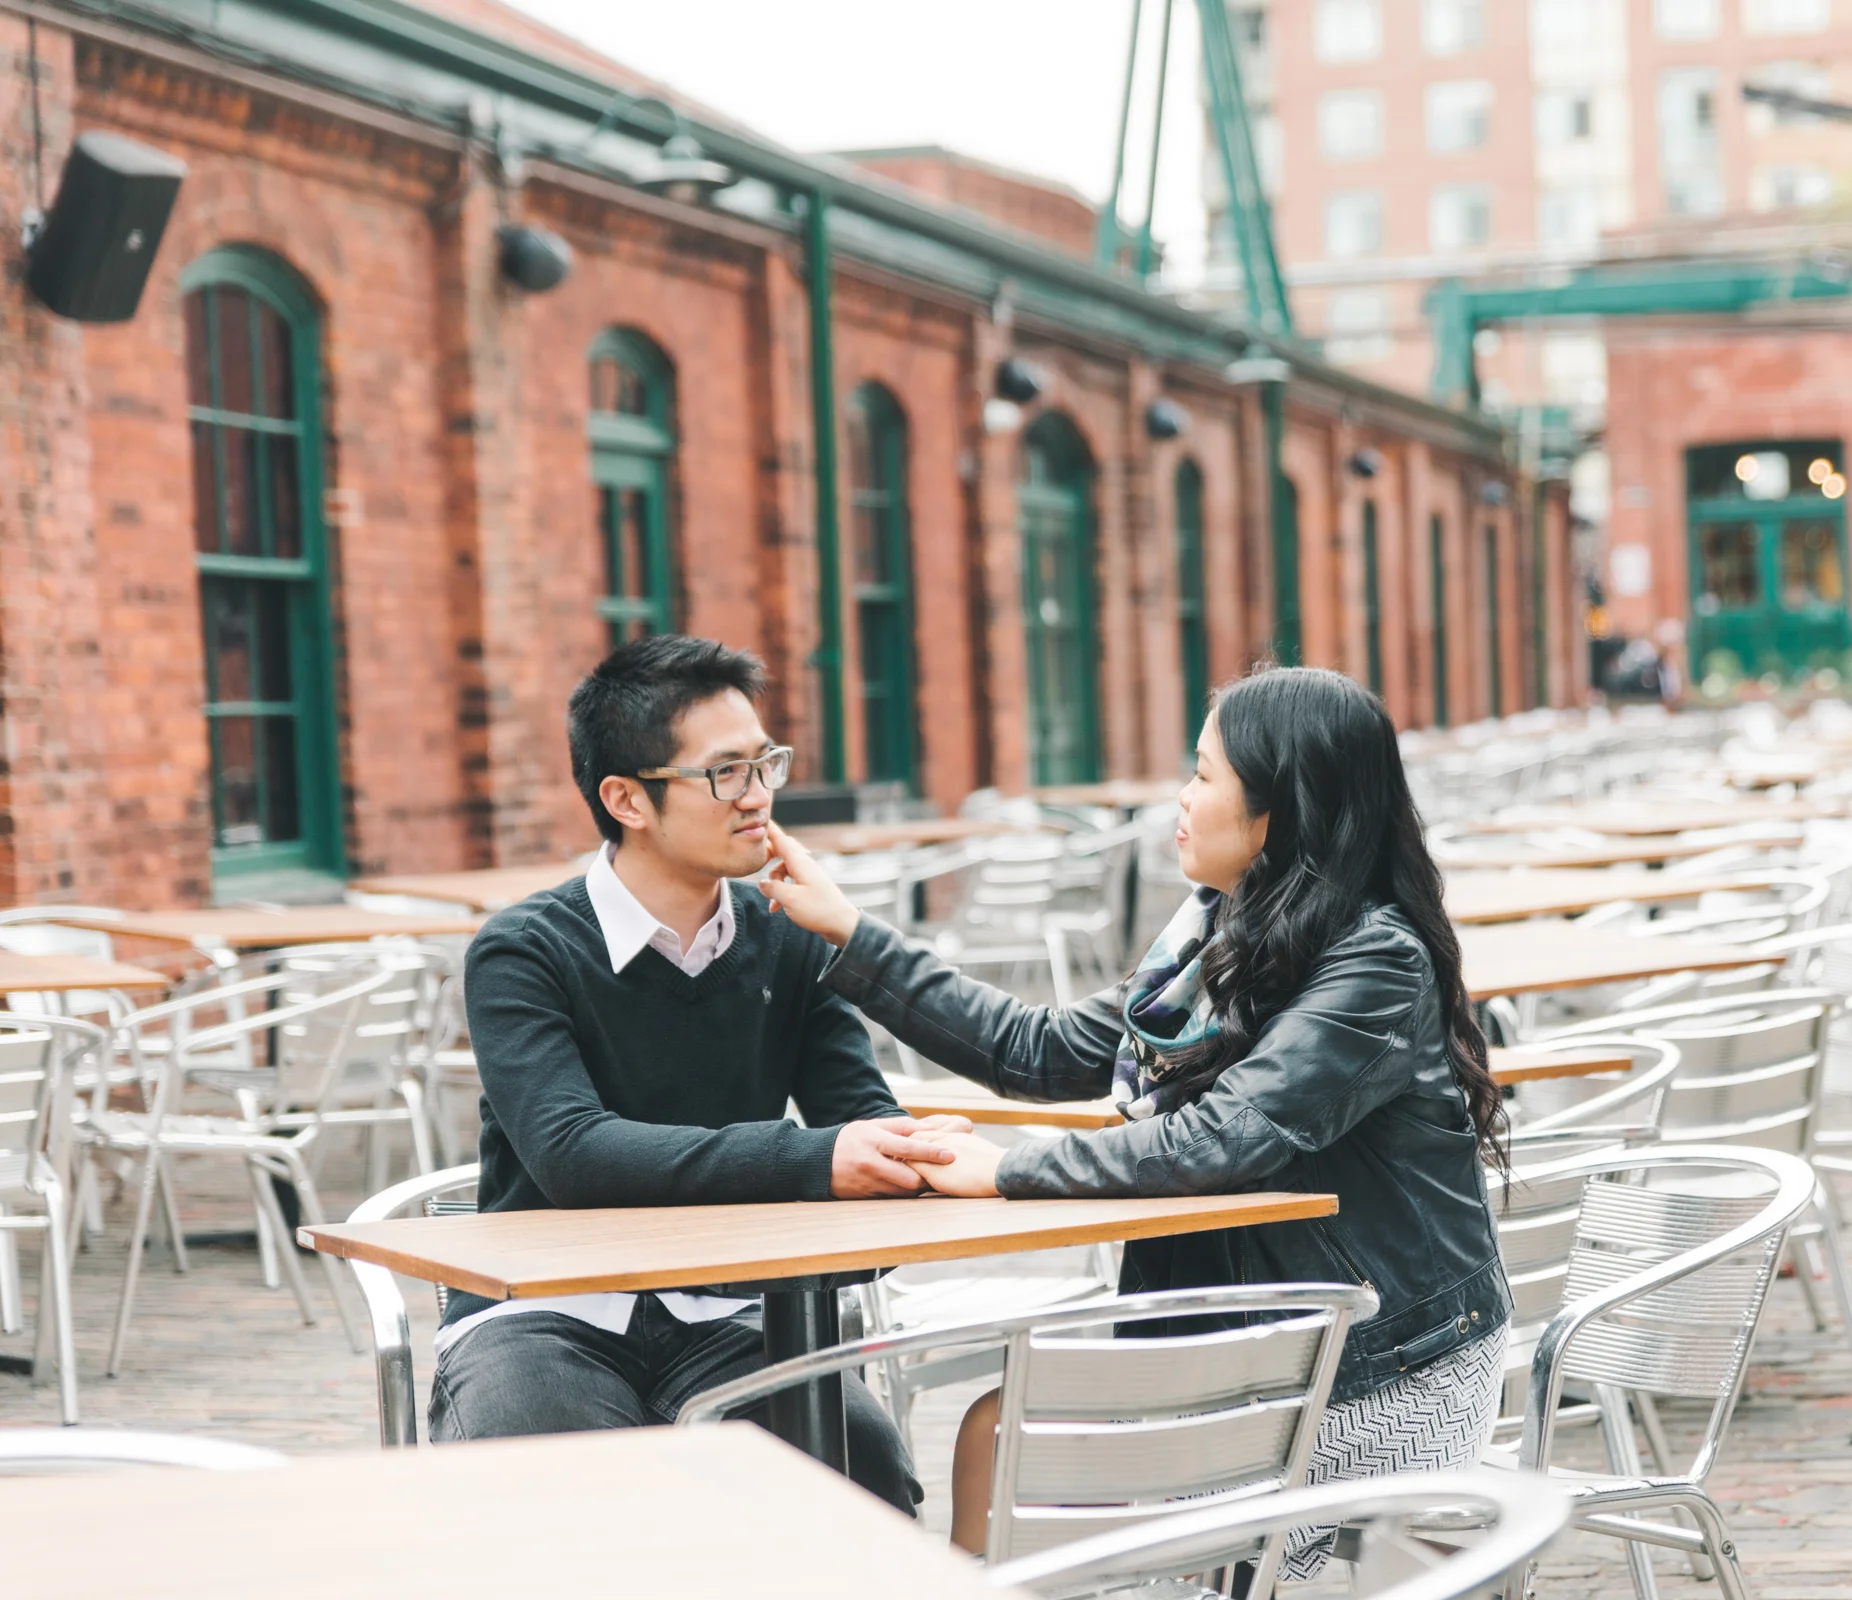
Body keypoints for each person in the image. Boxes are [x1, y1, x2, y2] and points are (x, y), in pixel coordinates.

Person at [758, 665, 1510, 1568]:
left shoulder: (1377, 961)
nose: (1181, 801)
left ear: (1279, 807)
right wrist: (849, 930)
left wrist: (1004, 1171)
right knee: (997, 1438)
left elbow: (1225, 1135)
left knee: (1004, 1441)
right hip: (1259, 1335)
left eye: (1202, 774)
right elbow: (1036, 1049)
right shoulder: (1219, 943)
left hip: (1382, 1367)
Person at [430, 634, 962, 1515]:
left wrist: (909, 1151)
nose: (759, 798)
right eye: (726, 774)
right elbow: (572, 1153)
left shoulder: (786, 935)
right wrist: (815, 1159)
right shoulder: (524, 950)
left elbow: (857, 1114)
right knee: (575, 1502)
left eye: (765, 764)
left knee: (862, 1474)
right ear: (626, 799)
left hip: (731, 1316)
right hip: (546, 1311)